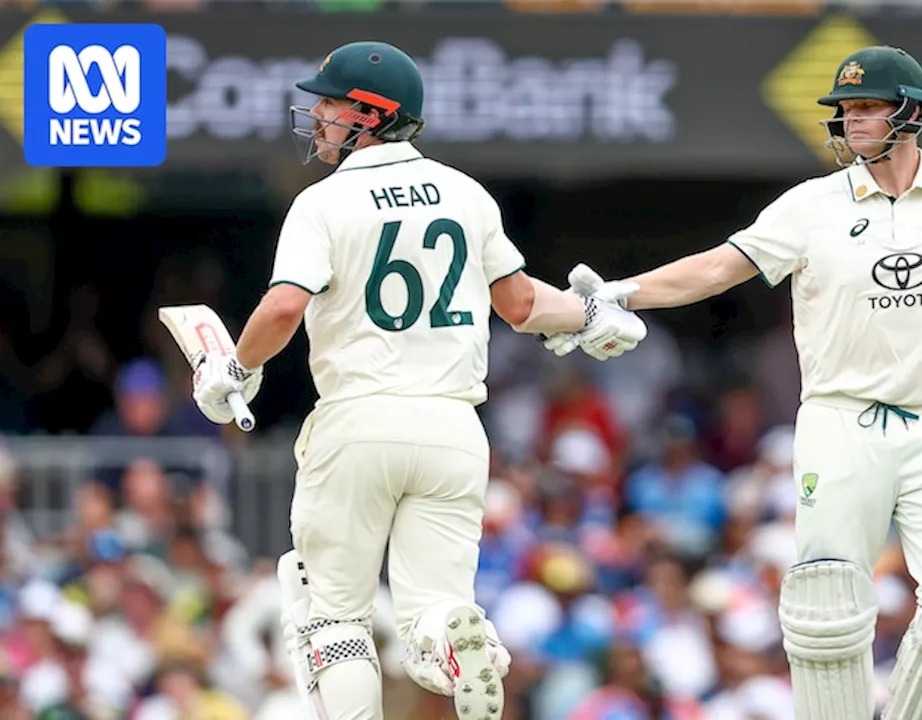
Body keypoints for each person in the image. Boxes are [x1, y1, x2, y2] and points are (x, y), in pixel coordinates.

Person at [540, 45, 922, 720]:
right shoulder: (811, 206)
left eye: (866, 107)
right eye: (846, 110)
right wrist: (621, 295)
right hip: (839, 420)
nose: (851, 122)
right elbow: (718, 269)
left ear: (912, 113)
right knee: (828, 609)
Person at [185, 40, 646, 720]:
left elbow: (284, 306)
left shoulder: (324, 202)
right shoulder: (467, 194)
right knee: (432, 612)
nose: (317, 117)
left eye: (331, 105)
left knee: (334, 616)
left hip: (359, 420)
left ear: (371, 114)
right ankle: (460, 646)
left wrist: (236, 369)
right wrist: (589, 313)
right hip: (454, 429)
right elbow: (522, 306)